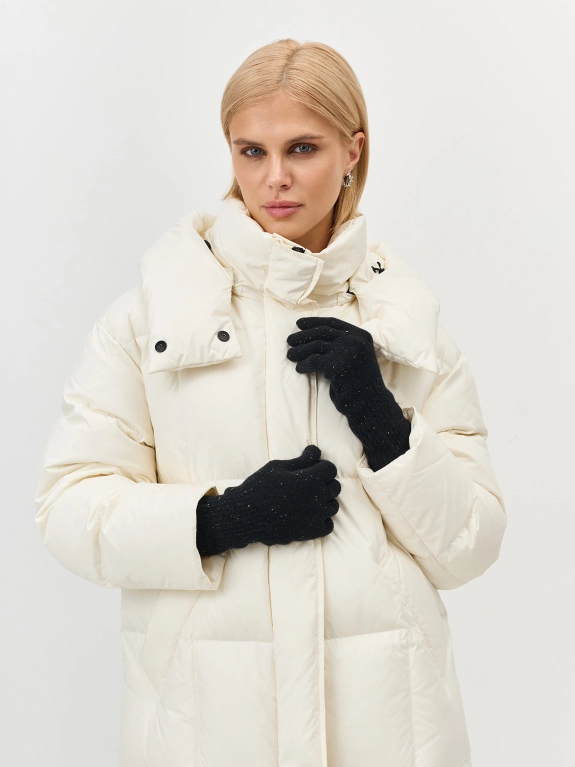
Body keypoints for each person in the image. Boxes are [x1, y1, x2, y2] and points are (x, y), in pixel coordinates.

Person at [34, 38, 507, 767]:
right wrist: (221, 518)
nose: (274, 178)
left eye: (302, 149)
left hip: (389, 726)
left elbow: (470, 545)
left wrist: (384, 424)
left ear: (352, 152)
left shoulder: (406, 323)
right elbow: (67, 509)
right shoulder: (152, 317)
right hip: (208, 727)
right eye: (251, 151)